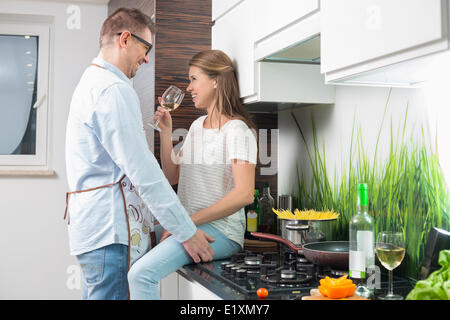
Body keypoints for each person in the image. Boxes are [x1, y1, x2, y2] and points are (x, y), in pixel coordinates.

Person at [65, 8, 214, 300]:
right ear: (124, 39)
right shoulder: (112, 90)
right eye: (145, 48)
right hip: (109, 233)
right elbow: (143, 171)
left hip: (94, 231)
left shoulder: (93, 81)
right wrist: (186, 231)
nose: (146, 58)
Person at [127, 50, 258, 299]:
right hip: (191, 225)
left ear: (216, 81)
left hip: (223, 232)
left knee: (140, 275)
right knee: (127, 247)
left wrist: (187, 224)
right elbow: (172, 175)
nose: (189, 88)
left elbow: (244, 194)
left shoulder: (238, 131)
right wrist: (166, 132)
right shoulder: (198, 126)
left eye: (194, 79)